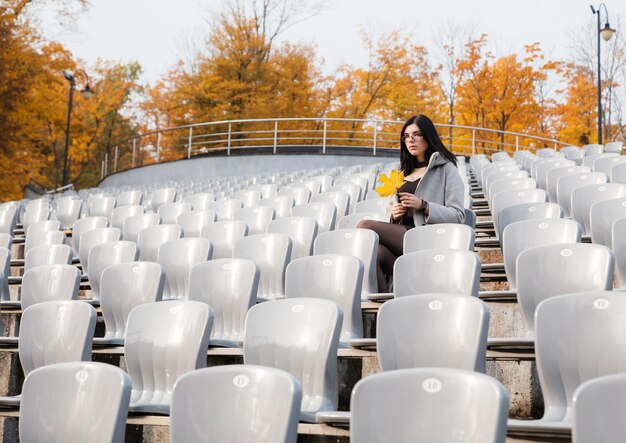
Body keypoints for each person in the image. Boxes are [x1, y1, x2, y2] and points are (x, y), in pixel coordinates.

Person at [357, 114, 466, 293]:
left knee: (365, 225)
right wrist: (394, 215)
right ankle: (385, 310)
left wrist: (423, 205)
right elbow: (396, 221)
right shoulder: (401, 173)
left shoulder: (447, 169)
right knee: (372, 254)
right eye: (406, 136)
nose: (411, 140)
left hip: (428, 240)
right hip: (404, 241)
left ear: (429, 136)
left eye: (417, 134)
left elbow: (458, 216)